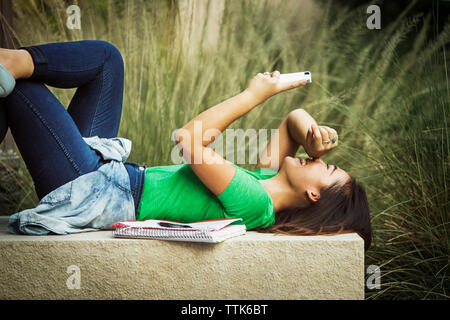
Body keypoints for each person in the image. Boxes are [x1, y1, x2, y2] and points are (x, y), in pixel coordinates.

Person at [0, 40, 372, 250]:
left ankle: (8, 64)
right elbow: (295, 119)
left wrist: (252, 94)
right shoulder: (267, 180)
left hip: (91, 187)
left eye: (329, 169)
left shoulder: (256, 200)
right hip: (107, 173)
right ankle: (9, 61)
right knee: (107, 61)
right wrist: (312, 132)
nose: (319, 159)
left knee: (23, 88)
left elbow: (188, 139)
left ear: (313, 196)